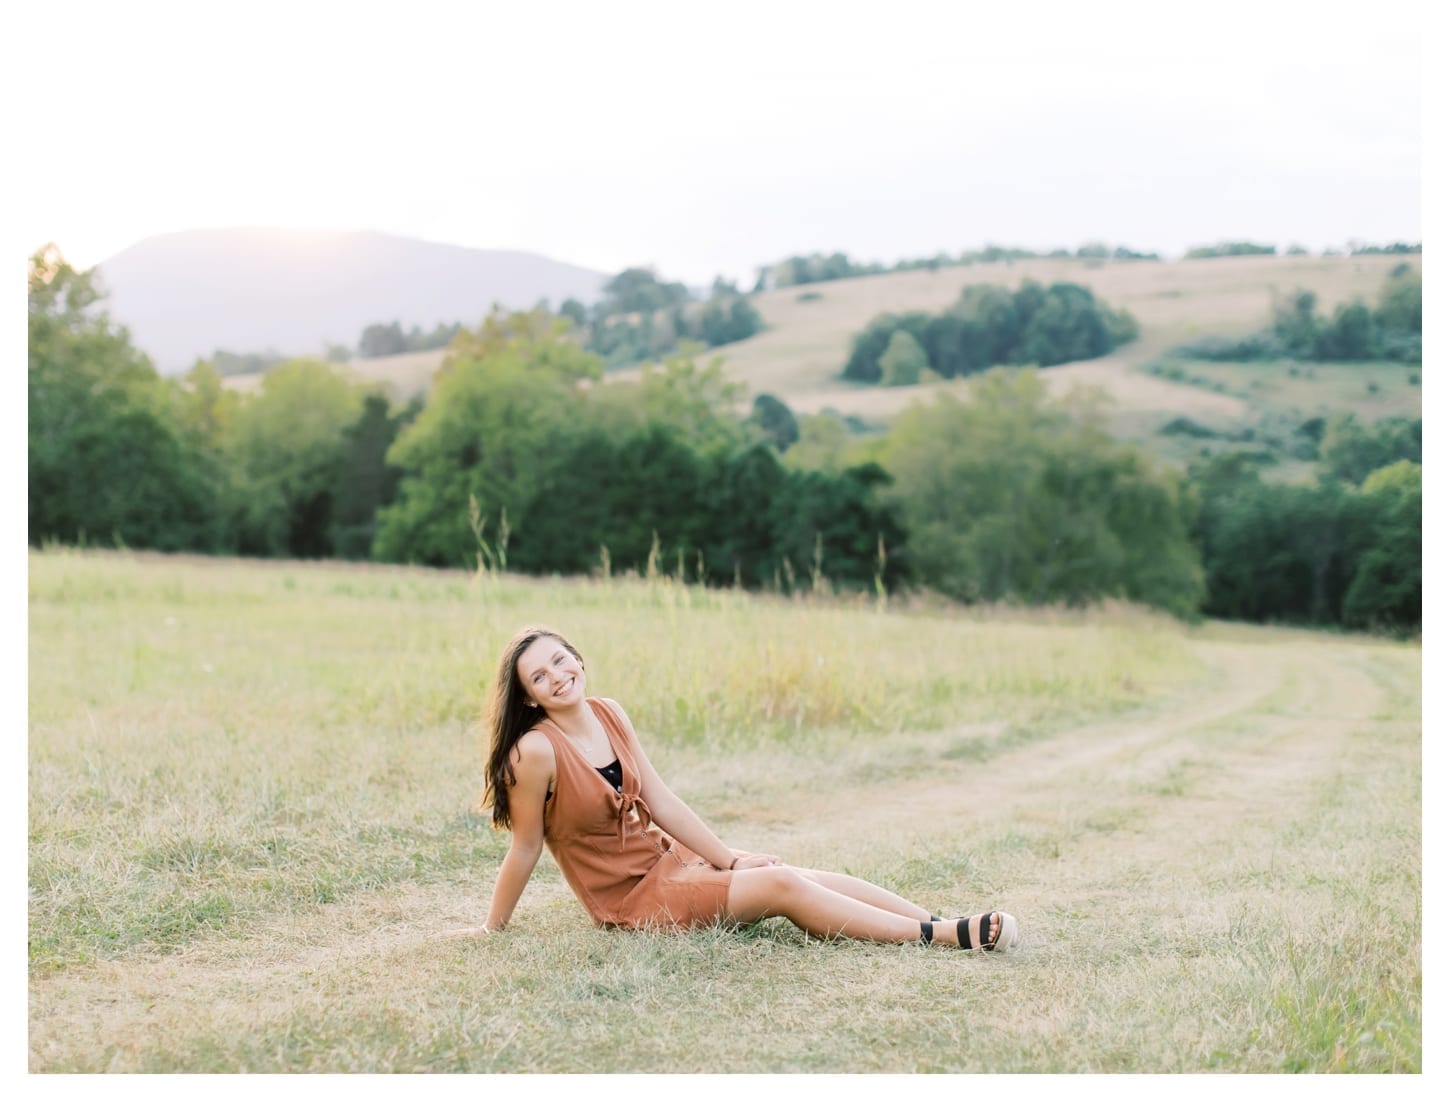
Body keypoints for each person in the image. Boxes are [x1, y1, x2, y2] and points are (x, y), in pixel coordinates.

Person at [447, 625, 1018, 951]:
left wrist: (727, 858)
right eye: (539, 677)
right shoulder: (536, 751)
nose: (557, 676)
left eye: (560, 660)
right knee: (781, 887)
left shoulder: (608, 712)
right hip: (632, 899)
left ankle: (937, 919)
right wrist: (491, 928)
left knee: (791, 873)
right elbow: (524, 847)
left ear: (576, 657)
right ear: (528, 697)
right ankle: (938, 937)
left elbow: (662, 800)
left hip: (671, 863)